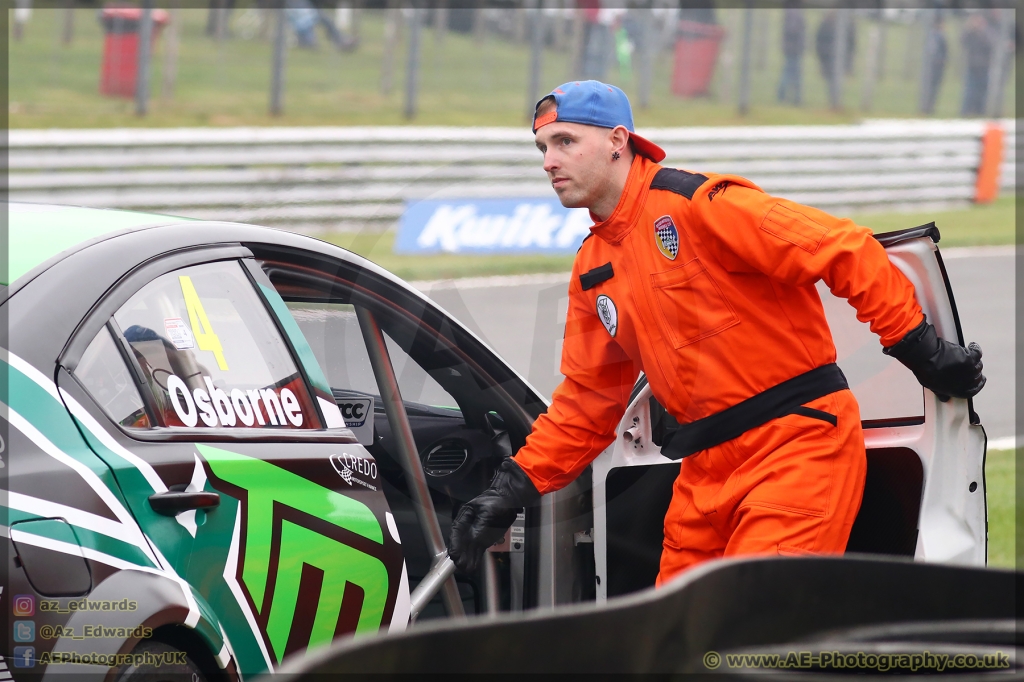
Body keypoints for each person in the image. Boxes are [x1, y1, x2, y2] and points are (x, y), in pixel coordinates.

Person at [449, 81, 985, 582]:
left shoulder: (702, 204)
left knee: (749, 637)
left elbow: (842, 248)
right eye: (542, 147)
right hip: (703, 472)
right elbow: (587, 403)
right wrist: (511, 488)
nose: (549, 161)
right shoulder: (592, 267)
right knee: (677, 642)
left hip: (797, 449)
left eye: (565, 141)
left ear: (617, 141)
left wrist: (919, 347)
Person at [777, 2, 806, 105]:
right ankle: (786, 96)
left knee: (792, 73)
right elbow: (792, 30)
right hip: (794, 49)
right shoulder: (794, 12)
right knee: (792, 73)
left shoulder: (791, 11)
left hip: (792, 48)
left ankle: (794, 97)